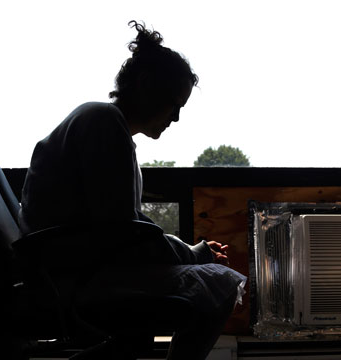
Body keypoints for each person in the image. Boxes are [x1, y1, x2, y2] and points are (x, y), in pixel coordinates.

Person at [18, 21, 246, 359]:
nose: (177, 118)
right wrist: (195, 253)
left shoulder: (101, 123)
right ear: (145, 84)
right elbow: (123, 231)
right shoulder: (103, 123)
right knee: (223, 283)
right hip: (76, 279)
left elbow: (123, 225)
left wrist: (189, 250)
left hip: (67, 269)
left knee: (141, 335)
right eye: (174, 104)